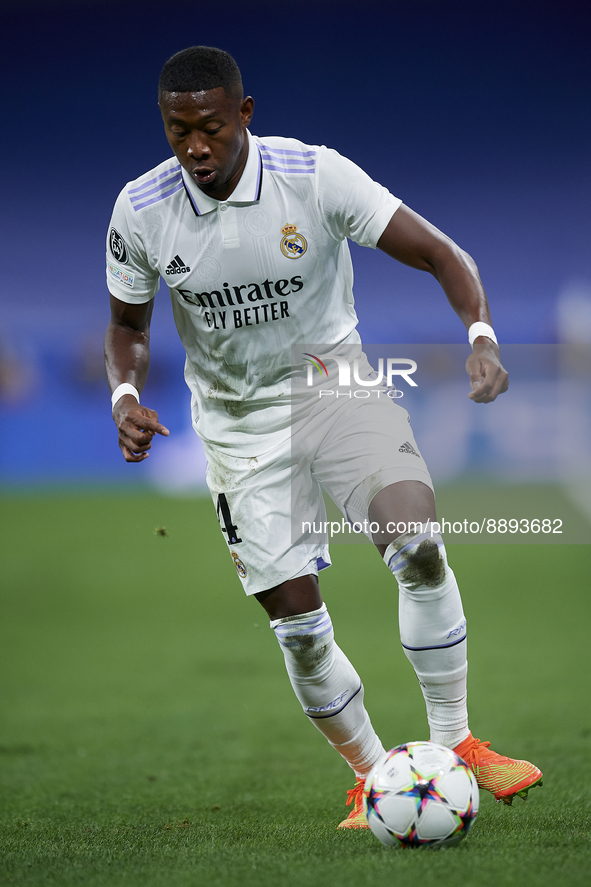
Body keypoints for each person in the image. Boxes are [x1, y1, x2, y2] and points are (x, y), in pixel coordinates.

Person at [104, 45, 542, 829]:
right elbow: (126, 325)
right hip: (239, 432)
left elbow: (440, 253)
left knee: (418, 544)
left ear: (244, 114)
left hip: (337, 389)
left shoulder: (312, 176)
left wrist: (479, 334)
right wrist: (126, 393)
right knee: (301, 631)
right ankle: (375, 779)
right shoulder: (140, 210)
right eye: (178, 131)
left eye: (210, 126)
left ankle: (458, 743)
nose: (195, 146)